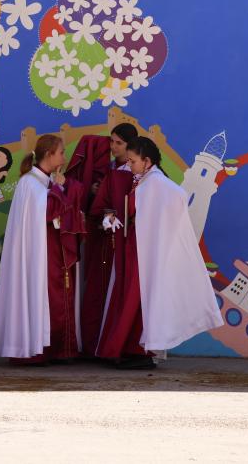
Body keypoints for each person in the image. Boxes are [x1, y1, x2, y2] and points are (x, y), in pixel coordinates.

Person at [96, 137, 223, 368]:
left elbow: (177, 198)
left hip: (146, 252)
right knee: (135, 299)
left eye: (133, 161)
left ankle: (136, 349)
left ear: (147, 161)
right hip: (136, 249)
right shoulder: (144, 181)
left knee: (140, 299)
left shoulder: (157, 183)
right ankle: (131, 348)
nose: (130, 165)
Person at [0, 134, 84, 364]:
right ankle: (34, 349)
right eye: (61, 152)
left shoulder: (46, 181)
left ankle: (56, 348)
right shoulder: (29, 183)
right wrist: (61, 191)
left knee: (53, 295)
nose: (64, 157)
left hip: (50, 249)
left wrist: (63, 189)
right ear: (49, 154)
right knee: (39, 294)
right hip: (36, 254)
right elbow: (51, 210)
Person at [78, 123, 138, 355]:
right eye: (111, 141)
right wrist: (97, 193)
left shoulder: (136, 173)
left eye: (119, 143)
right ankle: (94, 343)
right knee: (97, 291)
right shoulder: (108, 168)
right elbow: (103, 206)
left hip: (123, 243)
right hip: (103, 241)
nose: (113, 147)